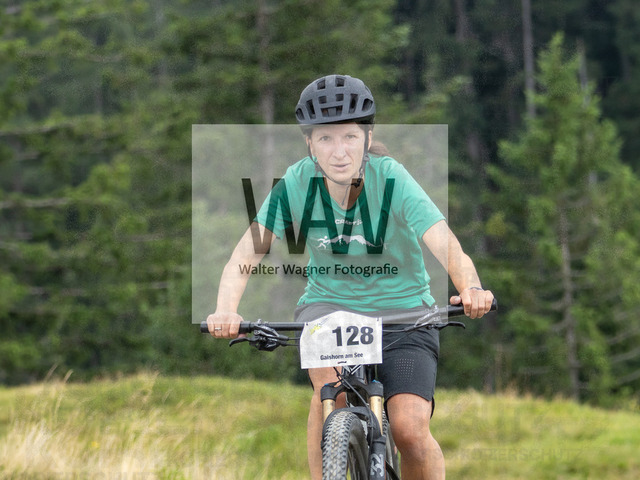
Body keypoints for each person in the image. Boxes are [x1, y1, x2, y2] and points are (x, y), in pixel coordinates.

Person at [207, 74, 494, 480]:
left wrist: (471, 287)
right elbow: (247, 252)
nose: (339, 151)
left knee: (410, 430)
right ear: (310, 144)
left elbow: (444, 243)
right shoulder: (296, 182)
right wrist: (225, 310)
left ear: (367, 137)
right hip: (329, 306)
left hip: (405, 311)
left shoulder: (391, 178)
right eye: (325, 138)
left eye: (349, 137)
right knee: (330, 397)